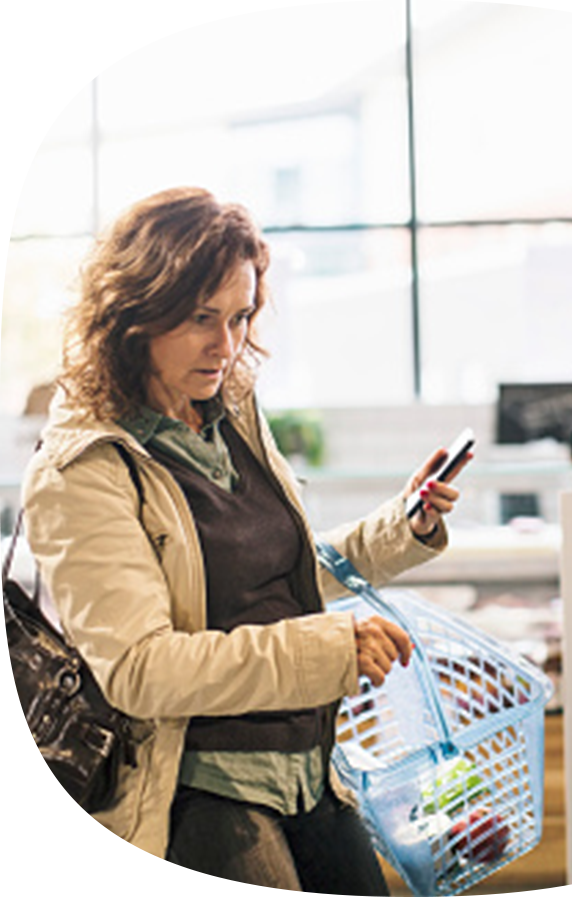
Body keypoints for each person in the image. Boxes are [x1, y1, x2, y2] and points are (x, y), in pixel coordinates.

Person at [22, 186, 470, 894]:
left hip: (305, 770)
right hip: (202, 790)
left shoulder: (227, 413)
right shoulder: (82, 469)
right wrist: (331, 649)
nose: (226, 346)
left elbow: (275, 574)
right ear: (136, 312)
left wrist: (403, 527)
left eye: (239, 316)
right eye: (201, 318)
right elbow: (140, 669)